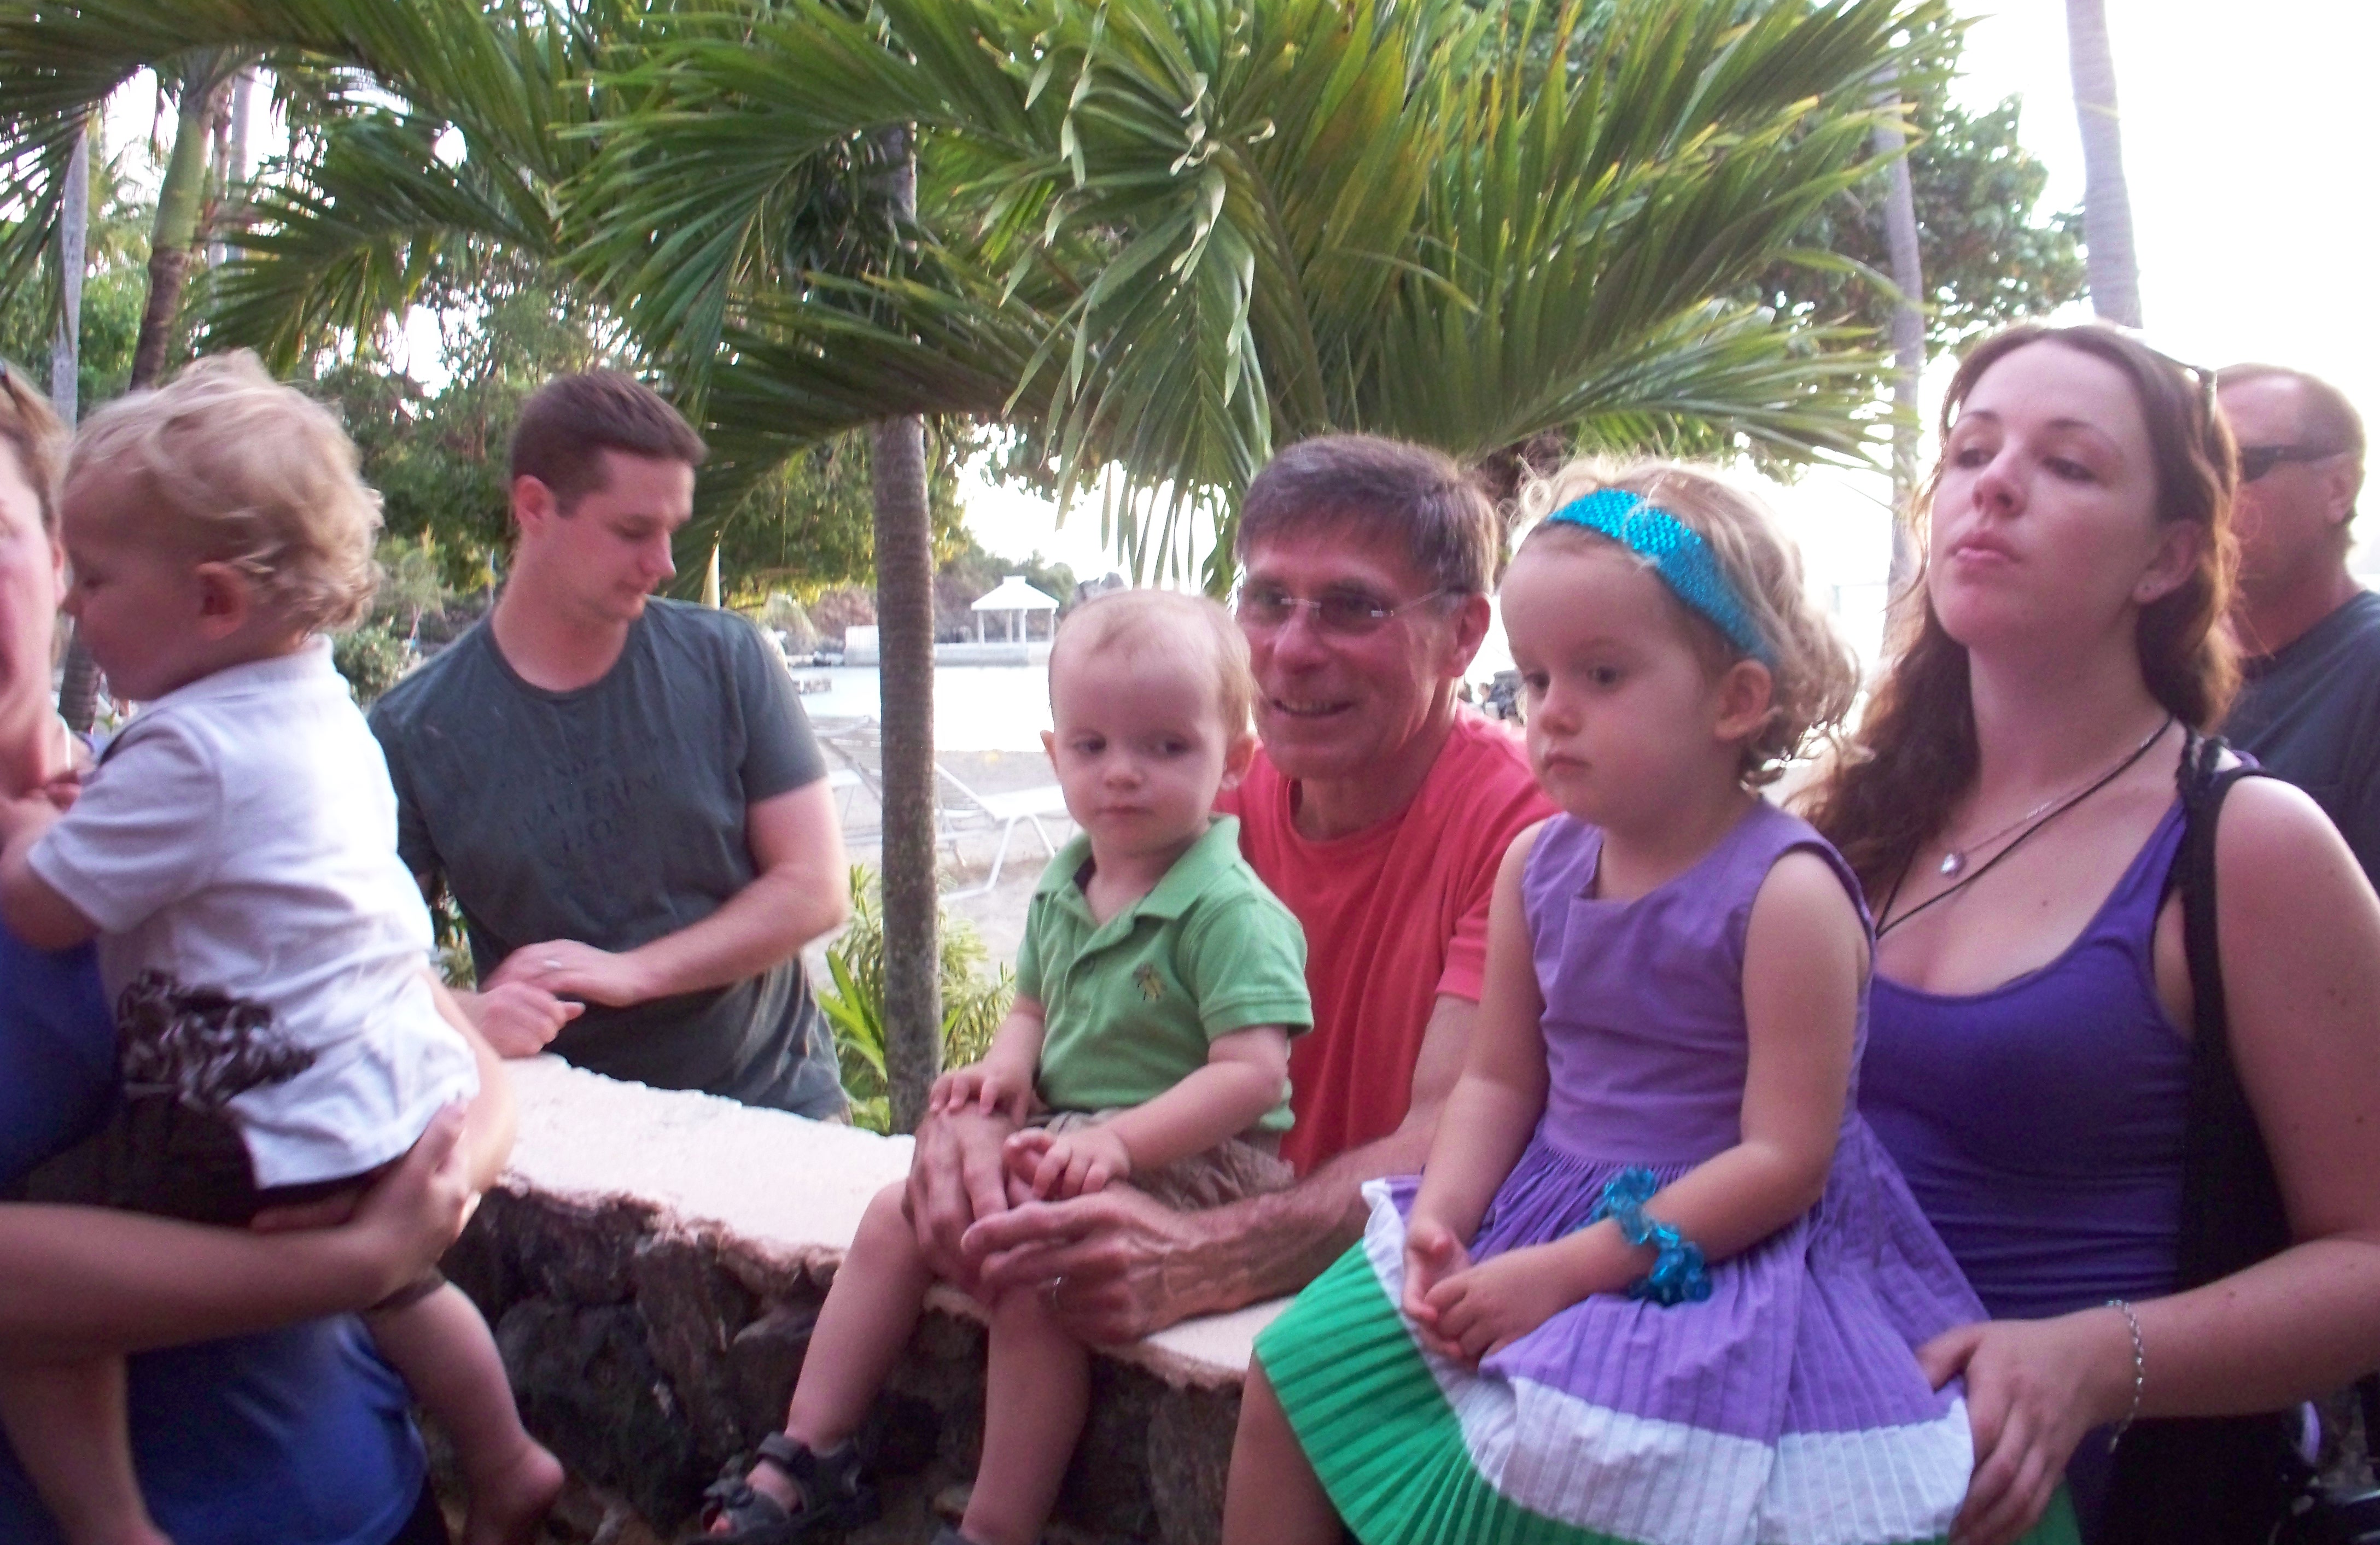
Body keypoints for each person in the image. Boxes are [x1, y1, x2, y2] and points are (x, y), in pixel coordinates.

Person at [1227, 461, 2046, 1545]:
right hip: (1535, 1208)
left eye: (1601, 675)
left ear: (1735, 698)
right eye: (1534, 680)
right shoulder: (1537, 866)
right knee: (1298, 1366)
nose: (1552, 714)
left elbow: (1785, 1160)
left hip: (1717, 1249)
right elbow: (1499, 1081)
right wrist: (1441, 1217)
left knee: (1587, 1459)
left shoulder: (1785, 894)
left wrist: (1567, 1271)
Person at [1812, 324, 2380, 1545]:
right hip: (1799, 1466)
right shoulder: (1842, 818)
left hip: (2078, 1505)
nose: (1994, 486)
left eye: (2067, 464)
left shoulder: (2243, 843)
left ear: (2166, 557)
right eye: (1971, 452)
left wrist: (2091, 1359)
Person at [0, 358, 557, 1545]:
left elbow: (436, 1039)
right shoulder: (289, 727)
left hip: (362, 1495)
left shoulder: (165, 777)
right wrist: (358, 1260)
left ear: (51, 561)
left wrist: (431, 1191)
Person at [702, 590, 1310, 1545]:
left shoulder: (1229, 909)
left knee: (1033, 1275)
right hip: (1070, 1138)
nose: (1123, 772)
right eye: (1092, 746)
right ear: (1055, 750)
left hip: (1196, 1160)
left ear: (1233, 759)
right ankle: (806, 1452)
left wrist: (1118, 1141)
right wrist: (1004, 1071)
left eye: (1166, 746)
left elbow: (1252, 1075)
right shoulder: (1067, 883)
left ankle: (996, 1524)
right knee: (895, 1214)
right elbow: (1031, 1007)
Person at [925, 436, 1554, 1344]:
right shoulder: (1198, 786)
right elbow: (1061, 1011)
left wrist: (1215, 1254)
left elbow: (1452, 1136)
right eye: (1266, 600)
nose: (1290, 650)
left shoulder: (1524, 831)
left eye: (1353, 607)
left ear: (1462, 634)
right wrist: (977, 1127)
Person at [370, 370, 851, 1114]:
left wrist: (633, 973)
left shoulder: (729, 660)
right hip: (566, 1123)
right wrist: (469, 1014)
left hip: (776, 1103)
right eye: (633, 532)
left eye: (671, 531)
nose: (664, 563)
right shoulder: (412, 731)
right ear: (535, 506)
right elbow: (359, 968)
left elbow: (814, 888)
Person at [2215, 362, 2380, 882]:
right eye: (2191, 470)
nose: (2205, 495)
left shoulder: (2368, 673)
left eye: (2239, 464)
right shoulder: (2151, 670)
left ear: (2338, 488)